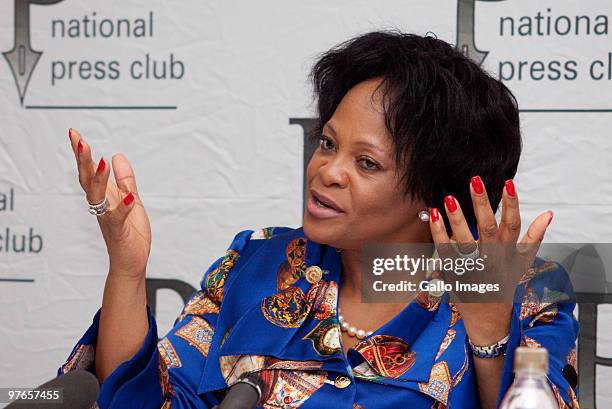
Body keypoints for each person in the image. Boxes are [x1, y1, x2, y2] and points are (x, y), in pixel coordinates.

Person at [59, 30, 579, 409]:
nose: (326, 171)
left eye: (367, 163)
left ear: (434, 198)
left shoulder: (530, 294)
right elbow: (149, 403)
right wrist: (127, 270)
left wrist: (489, 337)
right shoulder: (258, 263)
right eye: (327, 143)